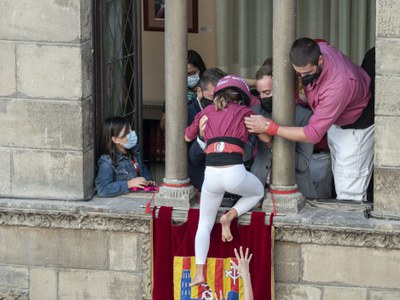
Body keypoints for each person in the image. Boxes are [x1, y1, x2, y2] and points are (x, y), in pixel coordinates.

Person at [245, 38, 373, 202]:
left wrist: (272, 128)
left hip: (355, 129)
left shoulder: (338, 86)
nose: (302, 77)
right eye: (298, 73)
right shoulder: (317, 48)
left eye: (307, 73)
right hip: (336, 121)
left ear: (320, 60)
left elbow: (312, 134)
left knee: (348, 194)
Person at [185, 75, 265, 286]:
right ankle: (230, 216)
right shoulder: (245, 112)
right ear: (240, 98)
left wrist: (202, 132)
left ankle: (199, 272)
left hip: (210, 175)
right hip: (234, 172)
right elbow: (265, 137)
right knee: (257, 192)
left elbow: (186, 136)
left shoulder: (206, 112)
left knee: (204, 224)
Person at [251, 59, 317, 198]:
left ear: (281, 90)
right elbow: (245, 154)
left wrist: (270, 143)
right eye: (260, 93)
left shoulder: (303, 116)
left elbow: (302, 164)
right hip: (258, 188)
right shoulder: (255, 112)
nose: (262, 98)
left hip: (297, 190)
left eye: (267, 93)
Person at [187, 67, 227, 190]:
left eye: (220, 98)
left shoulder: (230, 110)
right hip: (200, 185)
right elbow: (191, 159)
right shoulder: (188, 113)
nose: (216, 104)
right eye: (212, 97)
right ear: (199, 91)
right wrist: (201, 136)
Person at [95, 116, 155, 197]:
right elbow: (103, 189)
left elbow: (142, 167)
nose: (132, 134)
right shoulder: (107, 161)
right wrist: (128, 184)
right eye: (127, 133)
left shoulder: (134, 149)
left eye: (130, 130)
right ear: (115, 139)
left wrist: (148, 181)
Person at [160, 49, 207, 130]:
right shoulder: (174, 92)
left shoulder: (208, 90)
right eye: (183, 74)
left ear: (200, 69)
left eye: (191, 73)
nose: (187, 77)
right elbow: (162, 125)